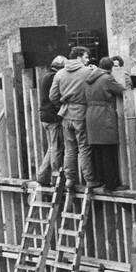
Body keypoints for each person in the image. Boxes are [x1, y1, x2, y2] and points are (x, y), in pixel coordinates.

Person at [48, 46, 96, 188]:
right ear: (79, 57)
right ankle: (89, 179)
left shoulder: (60, 73)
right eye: (86, 57)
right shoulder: (88, 72)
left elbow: (53, 96)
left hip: (65, 114)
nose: (87, 60)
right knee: (84, 148)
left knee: (69, 149)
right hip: (81, 113)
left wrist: (62, 103)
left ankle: (70, 179)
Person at [85, 56, 127, 193]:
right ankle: (111, 185)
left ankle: (101, 181)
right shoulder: (107, 78)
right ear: (110, 68)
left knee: (98, 151)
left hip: (91, 116)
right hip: (104, 116)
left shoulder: (90, 78)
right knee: (109, 151)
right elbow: (123, 91)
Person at [33, 55, 66, 186]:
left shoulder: (46, 76)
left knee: (52, 147)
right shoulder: (54, 77)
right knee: (56, 147)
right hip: (53, 117)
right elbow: (55, 96)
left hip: (45, 116)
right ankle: (55, 177)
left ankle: (41, 175)